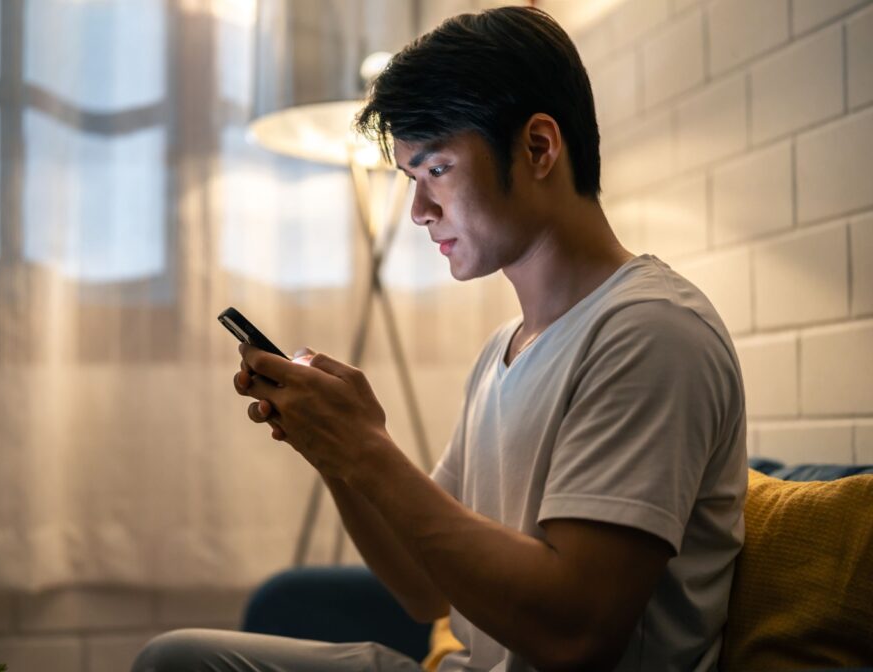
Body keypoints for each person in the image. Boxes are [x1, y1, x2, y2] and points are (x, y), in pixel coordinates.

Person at [132, 6, 747, 671]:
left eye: (437, 171)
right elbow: (426, 591)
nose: (420, 212)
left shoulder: (650, 333)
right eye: (411, 181)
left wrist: (368, 454)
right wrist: (341, 452)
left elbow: (579, 636)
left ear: (539, 148)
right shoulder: (504, 349)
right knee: (180, 658)